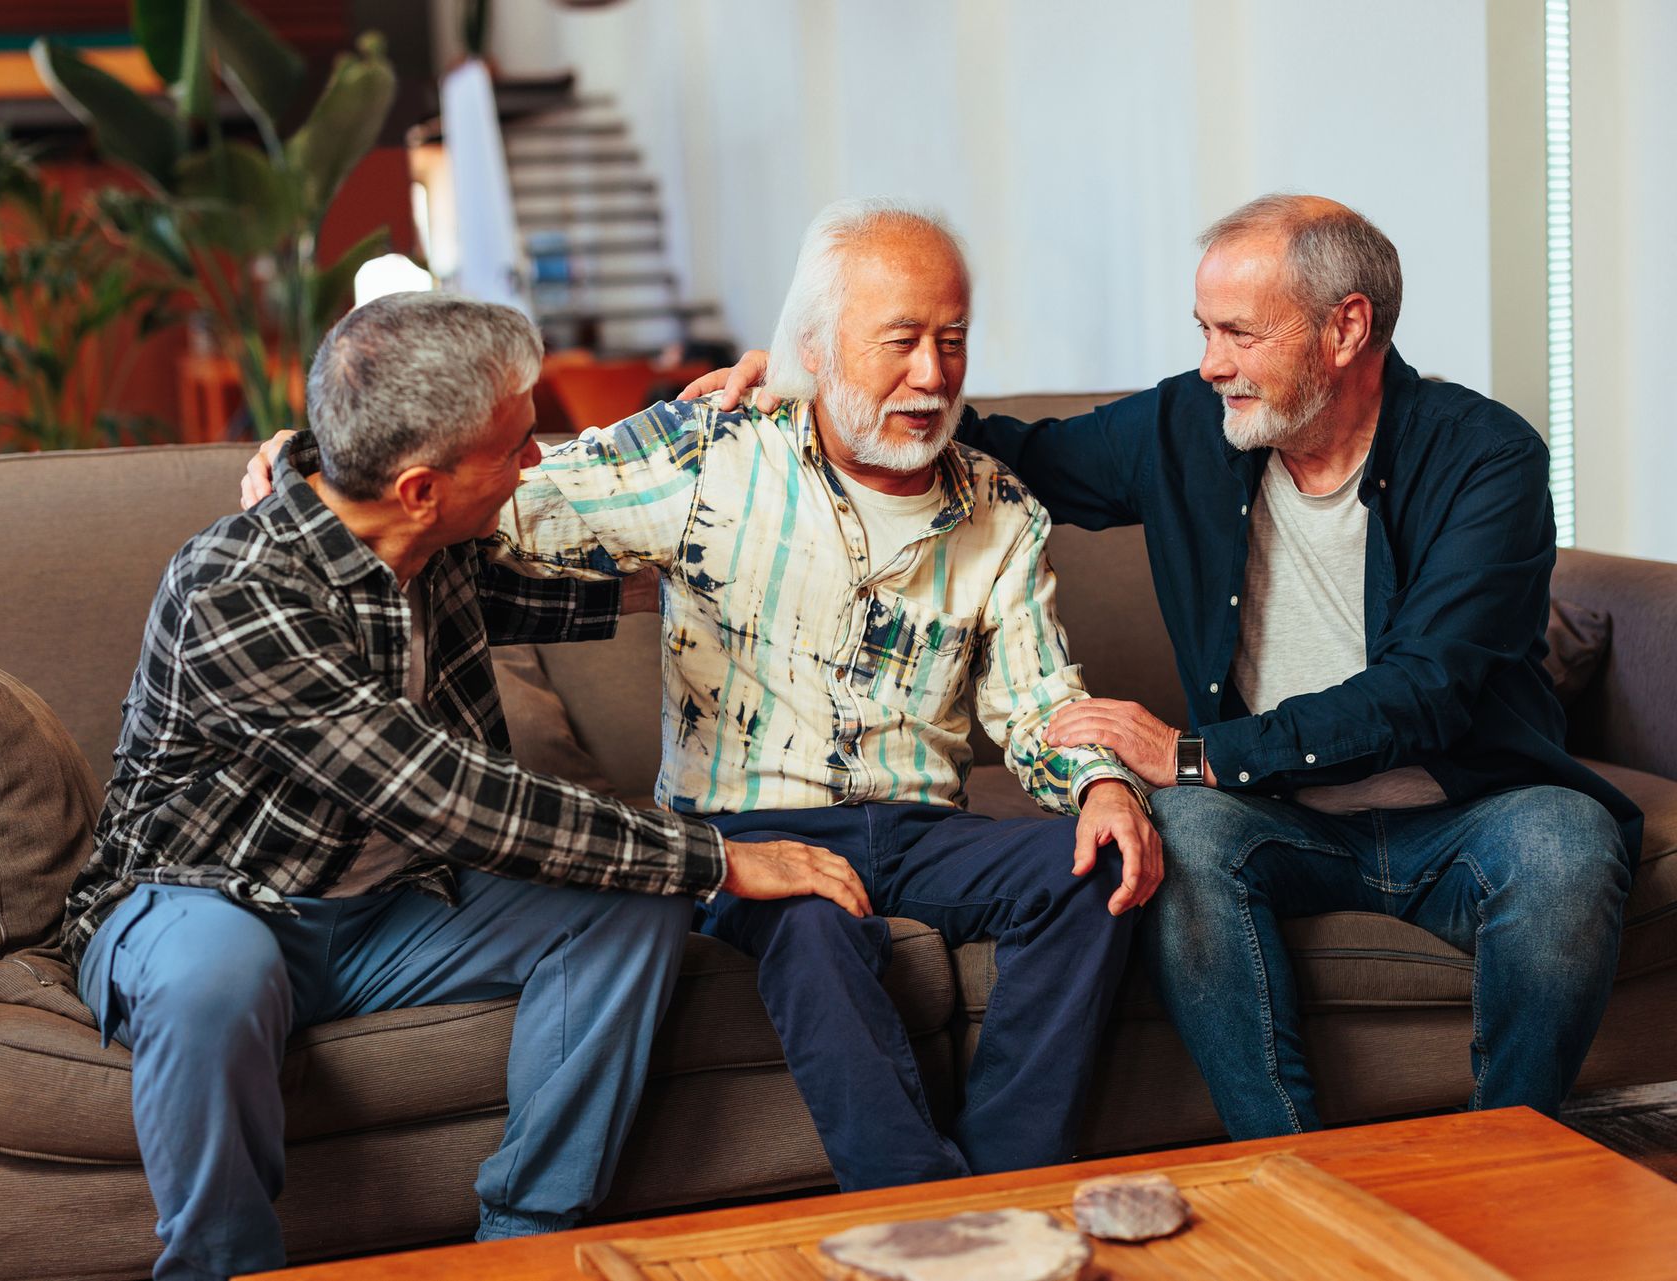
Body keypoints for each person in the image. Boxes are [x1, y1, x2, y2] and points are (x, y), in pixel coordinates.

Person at [246, 199, 1162, 1192]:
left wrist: (1101, 787)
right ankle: (923, 1213)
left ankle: (1009, 1193)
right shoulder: (710, 453)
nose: (934, 375)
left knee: (1093, 871)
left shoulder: (1001, 511)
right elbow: (497, 504)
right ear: (814, 345)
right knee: (810, 930)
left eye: (953, 341)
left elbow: (1036, 704)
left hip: (918, 825)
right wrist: (331, 465)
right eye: (900, 342)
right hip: (748, 826)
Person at [694, 193, 1641, 1139]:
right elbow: (1012, 456)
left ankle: (1511, 1149)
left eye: (1239, 332)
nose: (1210, 361)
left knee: (1569, 839)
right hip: (1277, 822)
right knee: (1178, 831)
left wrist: (1196, 754)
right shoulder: (1194, 423)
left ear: (1347, 327)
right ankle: (1291, 1168)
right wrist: (818, 386)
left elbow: (1426, 689)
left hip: (1468, 812)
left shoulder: (1487, 458)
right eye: (1204, 329)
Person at [66, 293, 868, 1281]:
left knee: (632, 908)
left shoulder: (429, 543)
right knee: (213, 978)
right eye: (513, 448)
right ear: (417, 487)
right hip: (203, 899)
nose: (533, 462)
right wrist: (716, 858)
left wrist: (747, 428)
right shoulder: (237, 591)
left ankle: (527, 1246)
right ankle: (217, 1269)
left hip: (392, 913)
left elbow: (623, 572)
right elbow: (458, 799)